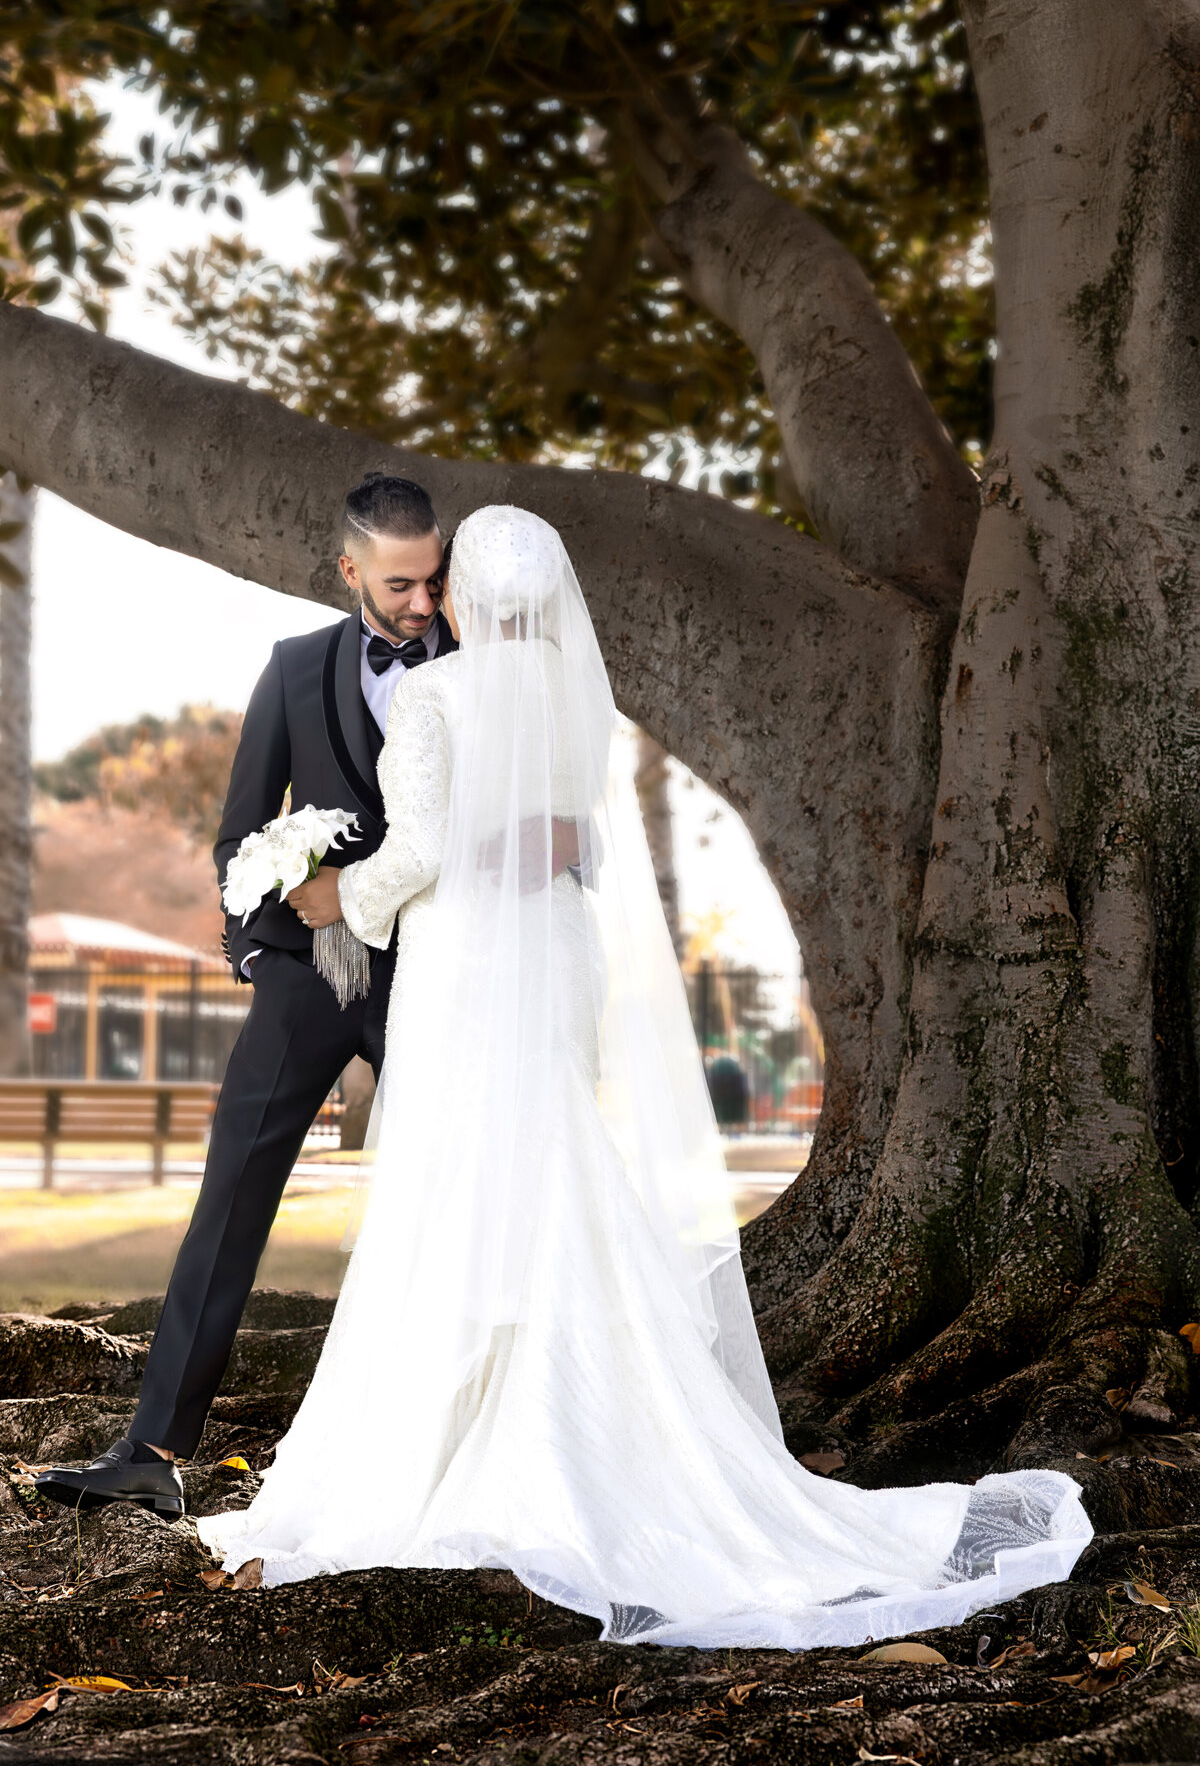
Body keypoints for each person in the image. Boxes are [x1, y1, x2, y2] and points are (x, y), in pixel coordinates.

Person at [195, 505, 1092, 1651]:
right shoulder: (579, 696)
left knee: (467, 1165)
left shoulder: (433, 696)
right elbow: (574, 843)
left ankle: (489, 1418)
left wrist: (333, 897)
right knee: (550, 1145)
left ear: (465, 596)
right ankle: (594, 1405)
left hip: (473, 958)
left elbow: (420, 858)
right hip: (556, 953)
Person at [34, 473, 457, 1520]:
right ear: (349, 569)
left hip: (444, 977)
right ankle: (154, 1448)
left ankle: (463, 1443)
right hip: (305, 980)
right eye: (400, 582)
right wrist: (260, 952)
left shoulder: (490, 672)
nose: (421, 602)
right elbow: (239, 831)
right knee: (229, 1200)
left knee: (464, 1194)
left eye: (434, 579)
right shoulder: (291, 669)